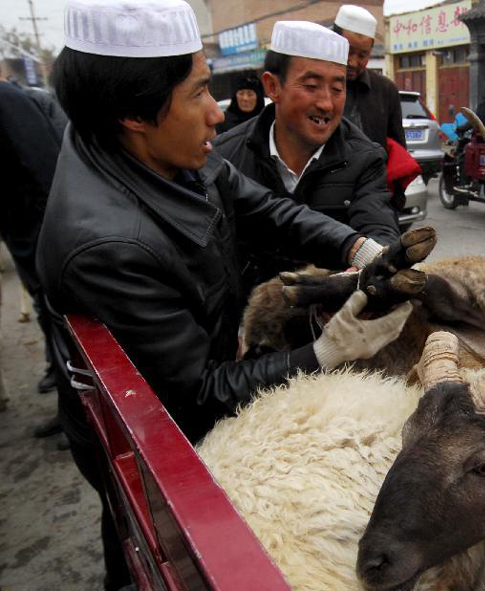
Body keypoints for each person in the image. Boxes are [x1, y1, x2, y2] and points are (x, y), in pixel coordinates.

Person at [36, 1, 413, 588]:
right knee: (153, 544)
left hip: (200, 361)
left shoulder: (168, 154)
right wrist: (324, 354)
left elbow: (267, 209)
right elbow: (194, 397)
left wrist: (359, 250)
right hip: (154, 427)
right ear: (134, 112)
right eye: (198, 93)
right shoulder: (107, 247)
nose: (216, 114)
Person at [214, 20, 401, 292]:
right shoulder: (226, 155)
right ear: (272, 86)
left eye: (337, 89)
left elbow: (379, 227)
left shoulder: (365, 159)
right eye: (312, 86)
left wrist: (370, 267)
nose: (326, 103)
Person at [0, 70, 65, 440]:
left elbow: (44, 168)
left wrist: (44, 243)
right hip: (25, 239)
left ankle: (76, 422)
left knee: (63, 329)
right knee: (49, 321)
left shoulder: (8, 101)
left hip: (41, 240)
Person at [333, 4, 406, 150]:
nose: (353, 62)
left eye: (362, 55)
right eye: (348, 51)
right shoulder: (317, 87)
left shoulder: (386, 90)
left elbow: (398, 147)